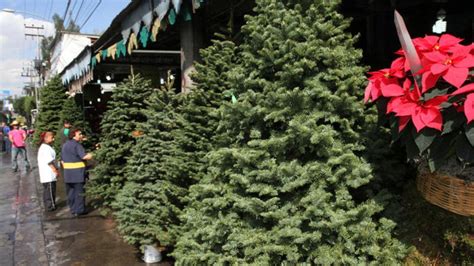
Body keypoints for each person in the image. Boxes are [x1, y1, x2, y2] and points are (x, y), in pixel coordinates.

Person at [61, 128, 93, 216]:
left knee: (71, 193)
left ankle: (73, 209)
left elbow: (62, 160)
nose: (81, 135)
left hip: (68, 174)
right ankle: (80, 210)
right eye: (79, 134)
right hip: (78, 174)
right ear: (74, 135)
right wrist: (93, 154)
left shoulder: (65, 145)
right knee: (79, 192)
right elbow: (84, 157)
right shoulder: (77, 145)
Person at [37, 132, 59, 212]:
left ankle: (49, 205)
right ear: (45, 138)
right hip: (48, 173)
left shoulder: (46, 147)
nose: (53, 139)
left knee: (47, 190)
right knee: (49, 190)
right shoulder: (45, 148)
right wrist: (55, 170)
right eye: (52, 137)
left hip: (47, 174)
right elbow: (49, 161)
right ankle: (50, 205)